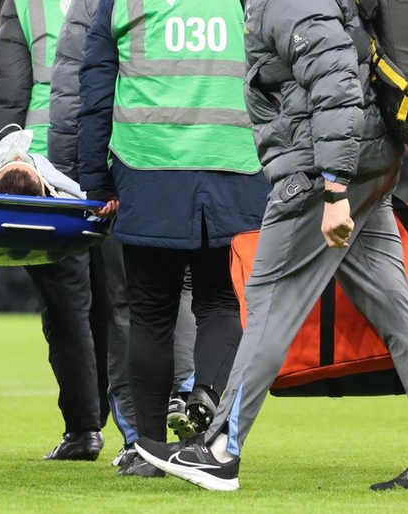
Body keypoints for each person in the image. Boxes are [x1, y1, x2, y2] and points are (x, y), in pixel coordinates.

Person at [136, 0, 408, 493]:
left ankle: (218, 451)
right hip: (366, 166)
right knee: (397, 310)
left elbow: (337, 82)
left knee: (268, 302)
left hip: (323, 175)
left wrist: (335, 188)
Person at [0, 0, 198, 469]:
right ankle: (133, 428)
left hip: (55, 171)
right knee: (126, 300)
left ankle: (93, 430)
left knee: (81, 306)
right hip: (115, 157)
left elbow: (10, 95)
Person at [78, 0, 271, 486]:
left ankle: (148, 448)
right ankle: (205, 409)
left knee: (150, 313)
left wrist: (94, 179)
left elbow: (96, 87)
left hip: (149, 164)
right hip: (234, 163)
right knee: (222, 304)